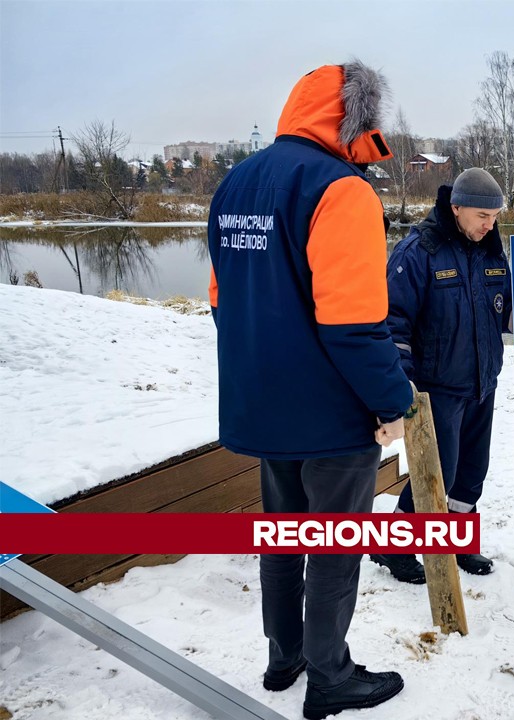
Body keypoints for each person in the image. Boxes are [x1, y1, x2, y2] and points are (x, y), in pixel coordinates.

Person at [207, 60, 413, 719]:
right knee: (333, 544)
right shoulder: (342, 189)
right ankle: (331, 675)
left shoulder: (236, 183)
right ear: (356, 119)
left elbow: (220, 301)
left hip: (262, 403)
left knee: (283, 534)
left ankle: (283, 654)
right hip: (329, 416)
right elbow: (354, 324)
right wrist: (394, 402)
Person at [369, 168, 512, 583]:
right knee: (436, 472)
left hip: (483, 381)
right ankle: (392, 547)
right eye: (483, 217)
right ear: (457, 208)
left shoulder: (489, 250)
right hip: (437, 388)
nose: (490, 225)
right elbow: (392, 323)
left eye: (495, 217)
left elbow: (504, 309)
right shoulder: (419, 252)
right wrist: (405, 383)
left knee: (471, 471)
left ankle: (458, 541)